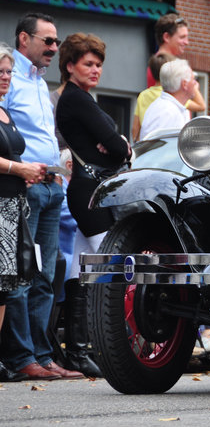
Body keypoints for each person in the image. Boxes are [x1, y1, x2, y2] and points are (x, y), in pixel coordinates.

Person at [0, 13, 79, 381]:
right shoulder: (10, 79)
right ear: (23, 40)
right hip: (25, 188)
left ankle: (44, 357)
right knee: (20, 275)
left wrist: (59, 168)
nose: (53, 48)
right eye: (47, 40)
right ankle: (22, 358)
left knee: (46, 277)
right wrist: (20, 169)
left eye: (56, 41)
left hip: (51, 186)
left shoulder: (39, 83)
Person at [55, 34, 131, 377]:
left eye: (99, 64)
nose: (96, 70)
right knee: (110, 267)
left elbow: (113, 144)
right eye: (88, 64)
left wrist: (116, 144)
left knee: (81, 272)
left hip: (88, 189)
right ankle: (98, 348)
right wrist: (120, 146)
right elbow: (117, 147)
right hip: (90, 192)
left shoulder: (81, 98)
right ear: (70, 65)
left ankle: (79, 351)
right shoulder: (78, 99)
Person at [0, 43, 48, 382]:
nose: (4, 77)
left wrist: (28, 174)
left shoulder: (5, 111)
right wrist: (19, 170)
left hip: (14, 205)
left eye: (7, 71)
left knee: (5, 284)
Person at [144, 14, 206, 116]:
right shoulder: (166, 66)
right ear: (166, 37)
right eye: (182, 37)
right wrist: (193, 87)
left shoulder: (158, 63)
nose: (187, 42)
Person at [139, 59, 195, 139]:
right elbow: (155, 147)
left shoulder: (170, 108)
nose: (196, 83)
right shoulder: (166, 111)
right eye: (193, 79)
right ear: (184, 84)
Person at [131, 53, 176, 142]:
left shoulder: (143, 95)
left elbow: (135, 128)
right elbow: (201, 105)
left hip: (147, 144)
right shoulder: (171, 95)